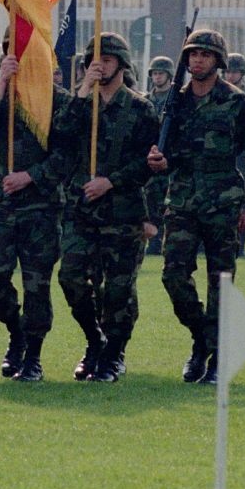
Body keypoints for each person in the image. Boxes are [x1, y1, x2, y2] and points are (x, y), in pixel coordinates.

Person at [148, 29, 245, 385]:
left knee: (221, 283)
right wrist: (158, 162)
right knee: (173, 276)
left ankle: (216, 356)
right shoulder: (175, 102)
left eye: (205, 55)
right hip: (184, 200)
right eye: (192, 55)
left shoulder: (237, 102)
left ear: (218, 60)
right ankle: (203, 338)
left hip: (224, 203)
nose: (197, 60)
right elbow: (164, 154)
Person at [0, 30, 74, 382]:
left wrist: (32, 175)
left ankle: (33, 354)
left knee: (36, 284)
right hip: (1, 205)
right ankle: (16, 331)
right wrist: (1, 82)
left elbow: (67, 156)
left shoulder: (56, 101)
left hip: (41, 207)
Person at [59, 33, 160, 382]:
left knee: (118, 289)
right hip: (81, 209)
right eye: (93, 60)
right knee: (71, 277)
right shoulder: (80, 103)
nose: (99, 65)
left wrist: (111, 181)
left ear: (121, 63)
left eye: (107, 60)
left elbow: (149, 162)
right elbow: (60, 134)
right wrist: (83, 89)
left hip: (122, 211)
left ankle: (114, 352)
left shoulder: (140, 108)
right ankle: (94, 340)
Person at [143, 54, 176, 256]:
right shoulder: (146, 101)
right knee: (150, 200)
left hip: (169, 158)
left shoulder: (174, 101)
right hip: (149, 156)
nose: (157, 77)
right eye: (154, 73)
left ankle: (165, 241)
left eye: (160, 73)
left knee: (168, 202)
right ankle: (154, 242)